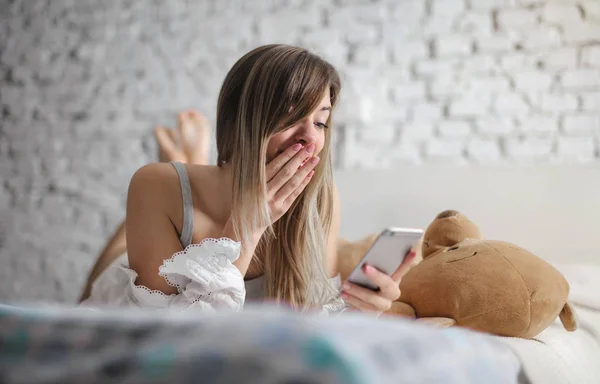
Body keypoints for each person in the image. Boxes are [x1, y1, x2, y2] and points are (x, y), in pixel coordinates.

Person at [79, 44, 417, 314]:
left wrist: (364, 309)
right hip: (129, 301)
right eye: (292, 117)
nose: (310, 139)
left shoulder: (321, 197)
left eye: (320, 122)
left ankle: (191, 160)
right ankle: (183, 163)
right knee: (120, 247)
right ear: (244, 123)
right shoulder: (154, 184)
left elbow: (315, 320)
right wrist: (246, 228)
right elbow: (173, 342)